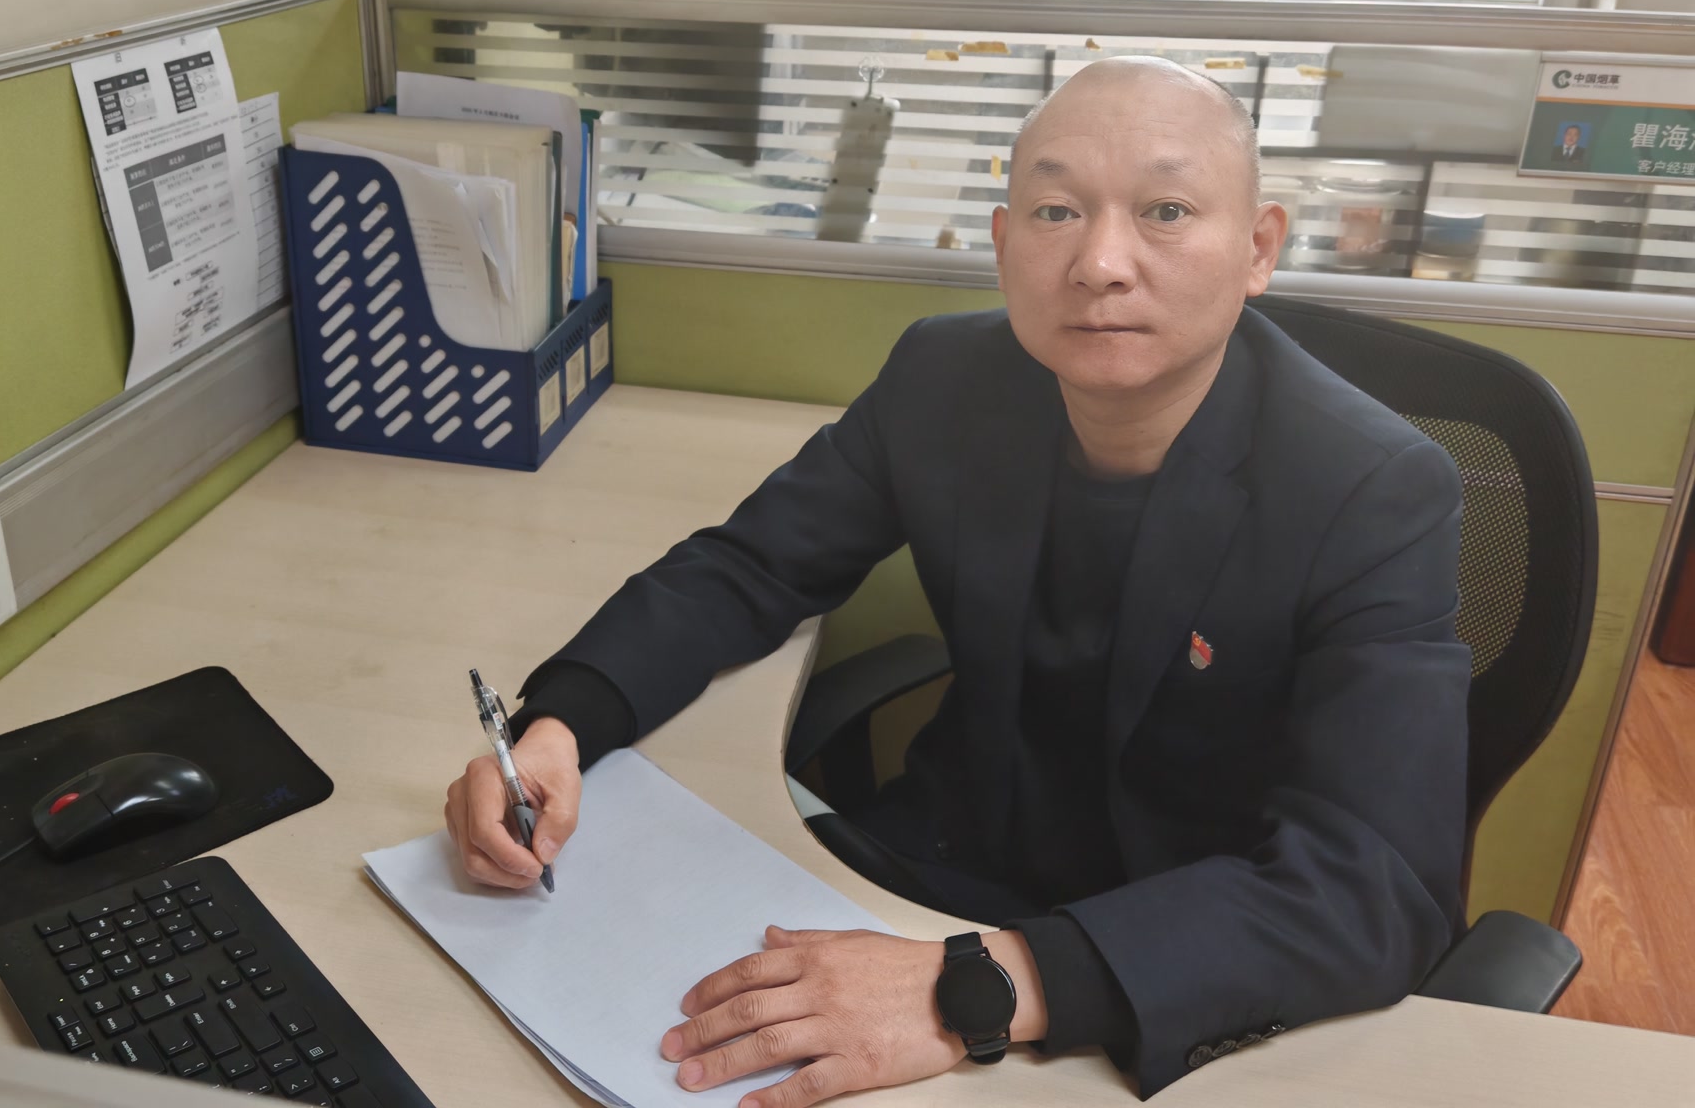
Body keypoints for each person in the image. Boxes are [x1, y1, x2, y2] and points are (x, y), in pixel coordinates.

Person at [443, 56, 1470, 1104]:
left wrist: (986, 985)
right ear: (1003, 241)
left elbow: (1376, 886)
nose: (1101, 263)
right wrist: (559, 727)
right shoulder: (943, 380)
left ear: (1258, 248)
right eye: (1057, 212)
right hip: (933, 872)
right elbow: (750, 565)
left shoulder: (1372, 487)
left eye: (1165, 211)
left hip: (1171, 956)